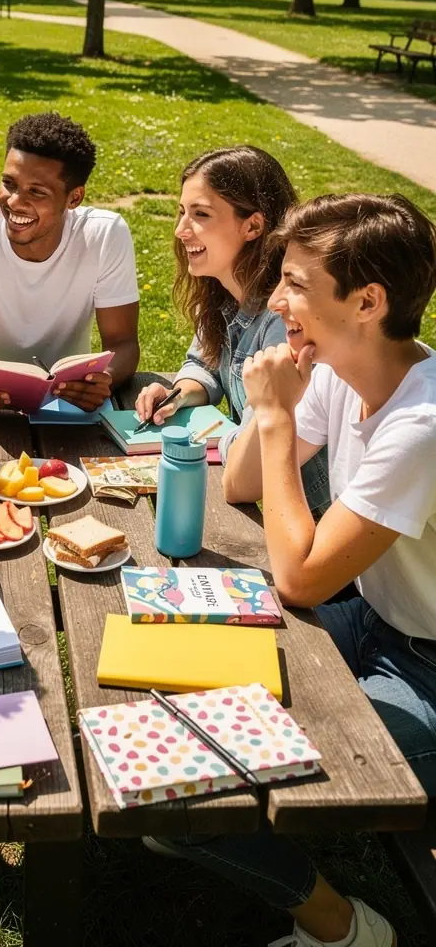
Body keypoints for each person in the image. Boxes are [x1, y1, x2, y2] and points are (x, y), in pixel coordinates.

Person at [147, 192, 436, 947]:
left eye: (298, 284)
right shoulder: (341, 370)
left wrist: (272, 418)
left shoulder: (422, 426)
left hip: (427, 671)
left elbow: (301, 578)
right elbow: (242, 484)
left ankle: (345, 929)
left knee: (194, 791)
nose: (276, 301)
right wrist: (265, 406)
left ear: (368, 301)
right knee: (172, 685)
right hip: (372, 619)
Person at [134, 146, 329, 517]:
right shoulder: (224, 295)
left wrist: (228, 437)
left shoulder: (284, 322)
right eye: (181, 213)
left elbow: (241, 478)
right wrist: (179, 394)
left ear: (253, 226)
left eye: (200, 215)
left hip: (321, 526)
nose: (180, 230)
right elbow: (204, 364)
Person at [0, 111, 140, 413]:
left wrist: (103, 380)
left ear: (74, 198)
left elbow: (123, 343)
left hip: (66, 405)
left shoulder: (104, 235)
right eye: (9, 183)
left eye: (37, 192)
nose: (15, 201)